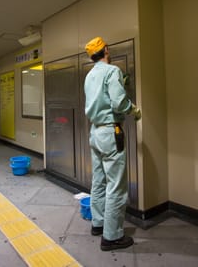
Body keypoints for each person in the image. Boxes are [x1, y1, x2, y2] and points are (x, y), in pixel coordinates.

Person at [83, 36, 142, 251]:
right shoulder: (112, 71)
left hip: (95, 132)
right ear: (106, 50)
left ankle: (98, 224)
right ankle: (112, 236)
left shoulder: (89, 76)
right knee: (116, 185)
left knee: (98, 180)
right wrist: (134, 110)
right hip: (110, 131)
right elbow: (119, 102)